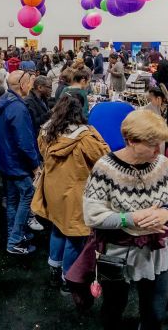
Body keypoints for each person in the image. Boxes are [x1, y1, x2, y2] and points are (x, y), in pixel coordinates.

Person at [78, 110, 168, 330]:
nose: (159, 150)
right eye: (152, 144)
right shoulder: (105, 169)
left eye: (161, 143)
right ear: (130, 141)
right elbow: (93, 215)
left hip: (158, 250)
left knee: (156, 310)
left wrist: (166, 212)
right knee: (113, 306)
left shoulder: (163, 164)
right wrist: (130, 219)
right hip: (117, 251)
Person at [31, 94, 109, 294]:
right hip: (75, 193)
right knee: (75, 236)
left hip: (53, 190)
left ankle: (54, 271)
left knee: (58, 229)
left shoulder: (47, 132)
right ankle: (69, 279)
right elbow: (103, 158)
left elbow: (42, 152)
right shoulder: (85, 137)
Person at [0, 71, 40, 254]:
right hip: (16, 163)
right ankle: (15, 240)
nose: (31, 85)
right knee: (27, 195)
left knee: (12, 199)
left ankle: (15, 234)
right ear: (22, 85)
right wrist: (35, 165)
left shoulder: (5, 103)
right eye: (29, 82)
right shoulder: (18, 109)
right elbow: (25, 141)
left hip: (5, 162)